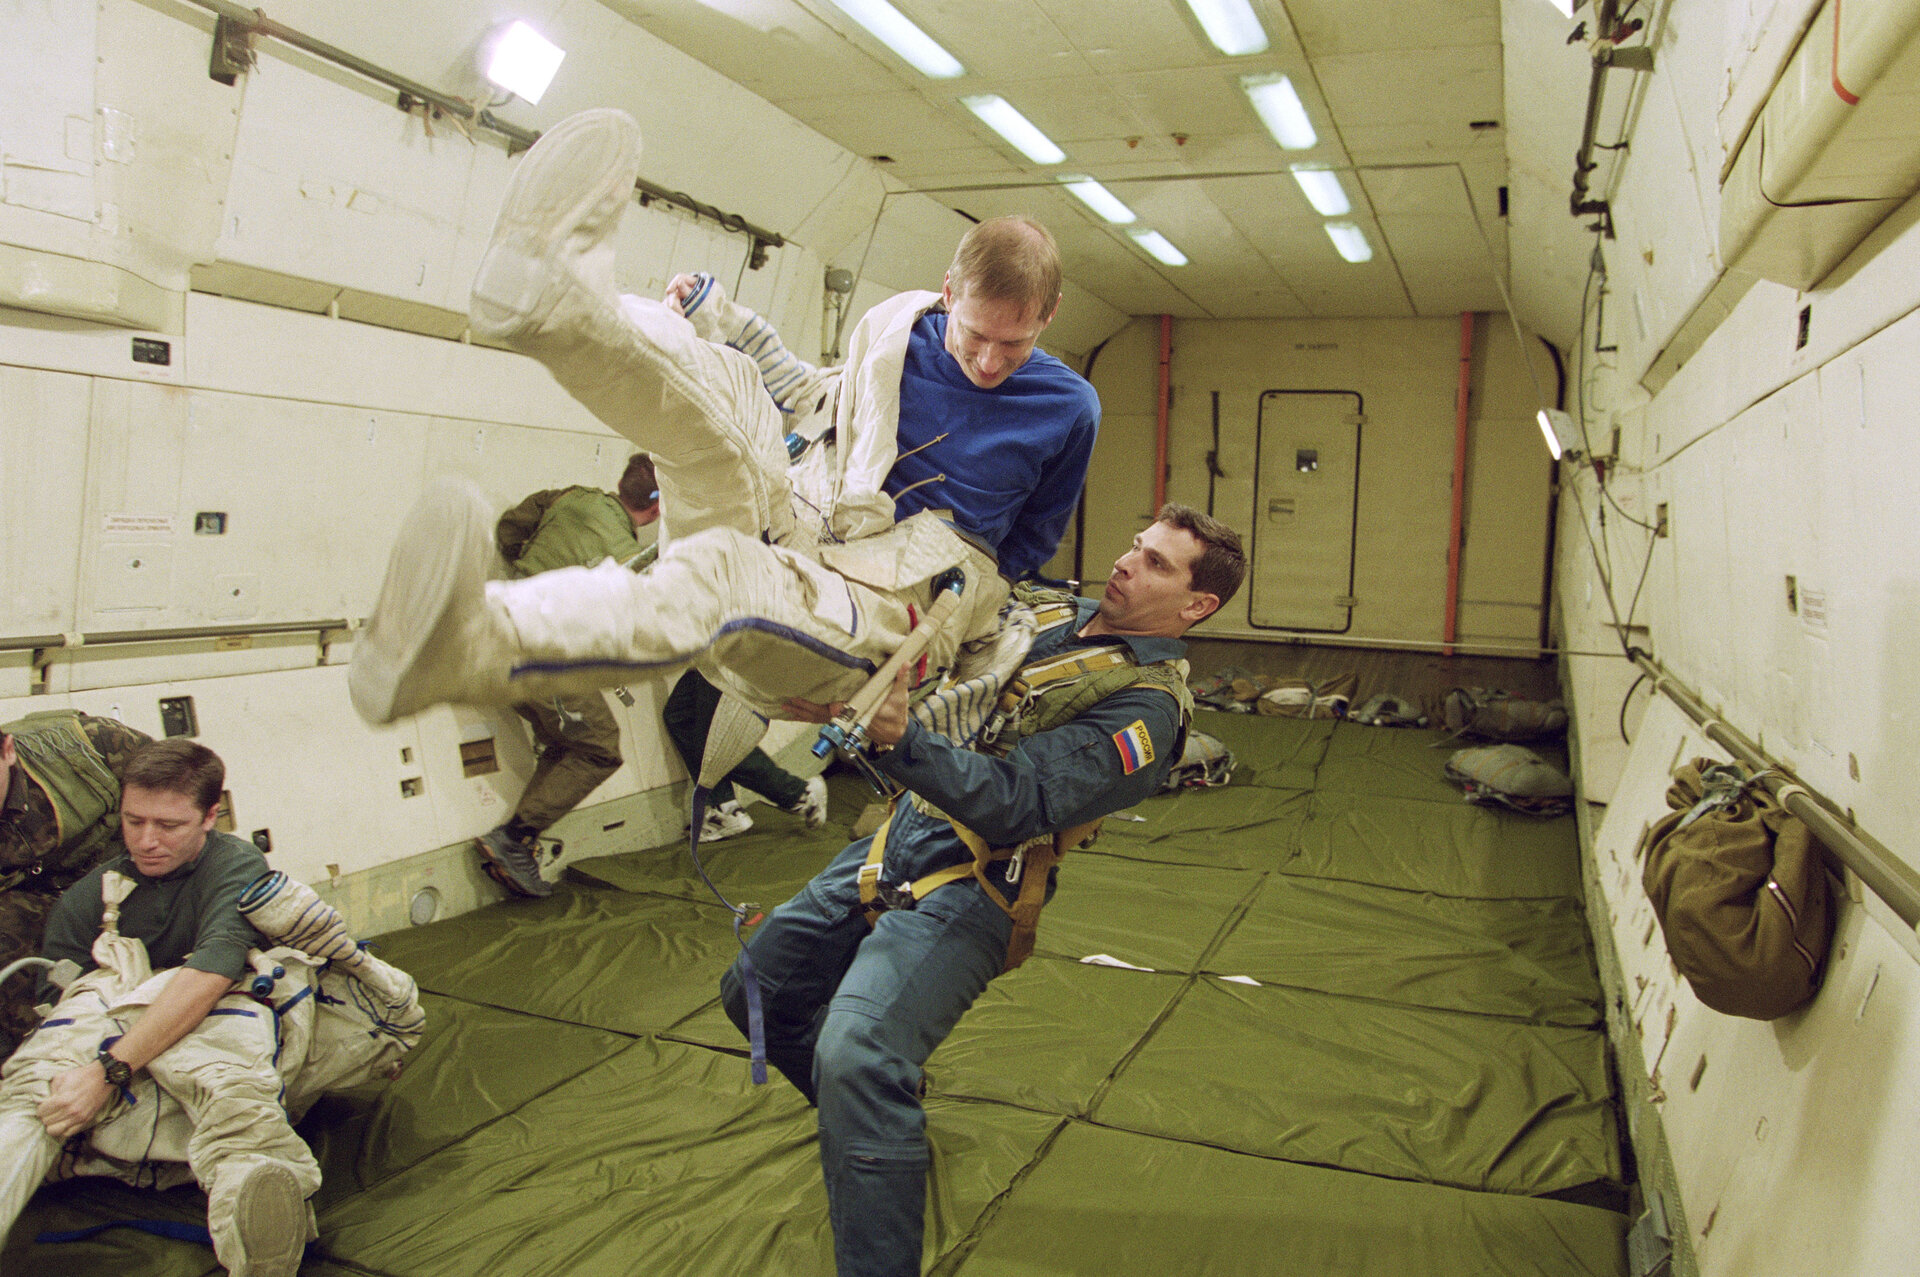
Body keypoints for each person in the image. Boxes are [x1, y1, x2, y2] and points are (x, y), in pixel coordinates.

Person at [348, 107, 1099, 747]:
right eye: (976, 335)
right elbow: (812, 397)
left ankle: (470, 645)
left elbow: (1022, 555)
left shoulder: (1069, 409)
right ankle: (561, 311)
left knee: (720, 575)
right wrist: (725, 318)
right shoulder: (895, 330)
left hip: (894, 605)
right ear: (946, 295)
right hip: (816, 513)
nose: (991, 360)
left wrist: (930, 671)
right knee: (727, 397)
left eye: (1016, 344)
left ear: (1049, 318)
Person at [719, 505, 1247, 1277]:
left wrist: (903, 738)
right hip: (895, 835)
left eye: (1158, 563)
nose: (1129, 561)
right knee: (756, 991)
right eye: (1137, 545)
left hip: (979, 881)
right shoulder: (1043, 615)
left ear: (1197, 605)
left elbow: (1020, 801)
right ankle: (871, 1123)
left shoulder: (1147, 710)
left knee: (859, 1051)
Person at [0, 739, 320, 1275]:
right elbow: (64, 1015)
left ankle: (253, 1194)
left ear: (210, 817)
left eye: (168, 826)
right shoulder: (88, 900)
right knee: (40, 1084)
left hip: (209, 1027)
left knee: (230, 1081)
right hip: (114, 1054)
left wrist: (110, 1071)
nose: (146, 842)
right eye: (133, 821)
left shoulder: (233, 866)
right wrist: (84, 1075)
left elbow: (211, 974)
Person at [474, 452, 661, 898]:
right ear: (657, 507)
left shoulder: (571, 498)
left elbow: (509, 530)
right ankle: (513, 840)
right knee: (599, 749)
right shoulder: (631, 557)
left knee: (567, 743)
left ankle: (517, 846)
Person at [0, 710, 152, 1060]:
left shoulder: (87, 748)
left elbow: (181, 801)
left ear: (8, 750)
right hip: (38, 902)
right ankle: (36, 1061)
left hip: (133, 873)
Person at [663, 668, 828, 842]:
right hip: (709, 654)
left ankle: (799, 794)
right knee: (682, 715)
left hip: (724, 652)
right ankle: (725, 805)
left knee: (711, 736)